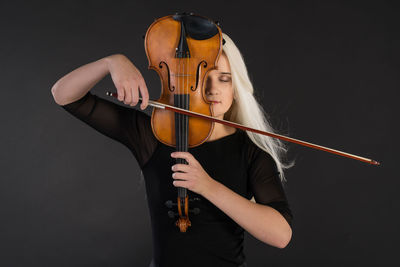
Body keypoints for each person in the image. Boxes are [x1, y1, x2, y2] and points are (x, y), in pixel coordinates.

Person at [51, 32, 293, 267]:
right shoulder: (156, 136)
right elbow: (64, 95)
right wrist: (112, 62)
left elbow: (280, 235)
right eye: (204, 76)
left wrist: (207, 186)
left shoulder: (251, 153)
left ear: (236, 88)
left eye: (225, 78)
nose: (212, 88)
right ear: (188, 82)